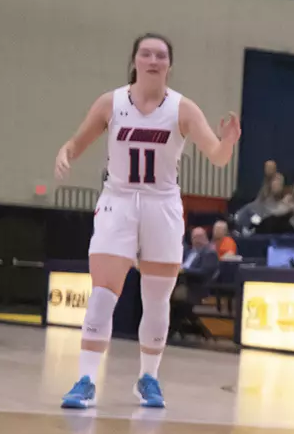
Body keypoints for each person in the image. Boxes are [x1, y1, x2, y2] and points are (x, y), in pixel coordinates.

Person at [55, 34, 240, 411]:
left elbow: (218, 157)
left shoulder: (182, 108)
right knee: (103, 294)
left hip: (162, 205)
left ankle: (148, 378)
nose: (153, 60)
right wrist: (66, 152)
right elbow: (77, 142)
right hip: (118, 201)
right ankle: (86, 380)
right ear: (135, 60)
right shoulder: (111, 103)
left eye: (160, 55)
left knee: (156, 299)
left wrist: (227, 142)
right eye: (146, 53)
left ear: (169, 65)